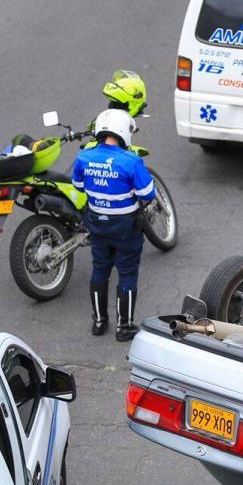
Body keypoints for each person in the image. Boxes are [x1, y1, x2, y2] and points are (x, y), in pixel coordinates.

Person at [72, 109, 156, 341]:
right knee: (127, 272)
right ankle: (124, 326)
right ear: (122, 132)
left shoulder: (84, 157)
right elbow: (147, 193)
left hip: (97, 225)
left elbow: (78, 186)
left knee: (100, 269)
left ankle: (99, 322)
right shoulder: (131, 161)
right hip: (126, 228)